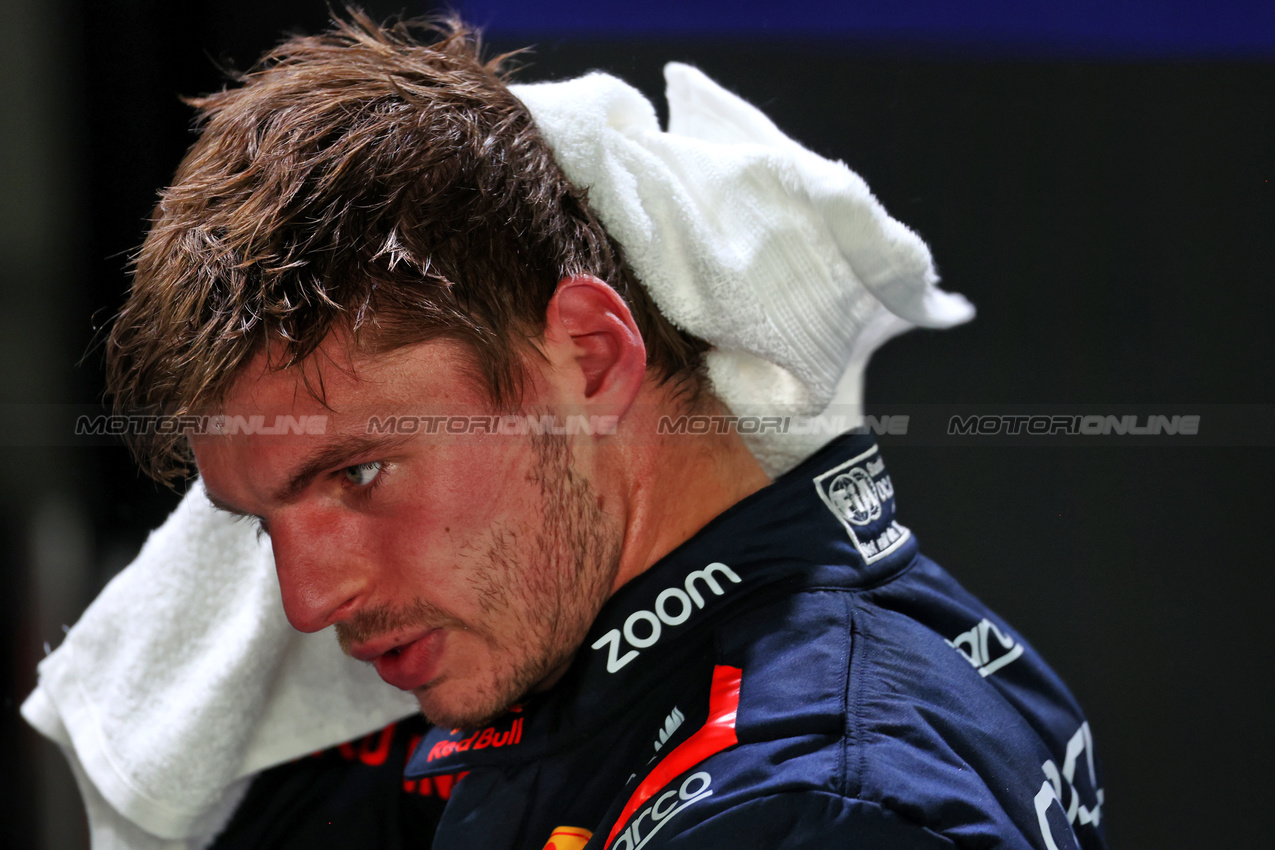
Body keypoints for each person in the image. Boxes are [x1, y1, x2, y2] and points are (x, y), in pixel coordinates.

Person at [98, 12, 1106, 850]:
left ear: (588, 358)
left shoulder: (808, 804)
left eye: (361, 473)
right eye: (258, 523)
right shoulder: (518, 674)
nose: (310, 600)